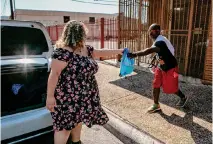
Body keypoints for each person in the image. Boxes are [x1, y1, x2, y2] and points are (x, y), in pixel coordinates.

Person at [46, 20, 123, 144]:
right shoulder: (63, 53)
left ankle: (76, 142)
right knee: (64, 128)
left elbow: (100, 52)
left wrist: (120, 51)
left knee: (78, 121)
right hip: (68, 98)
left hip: (85, 96)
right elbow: (54, 74)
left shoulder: (86, 49)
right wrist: (50, 97)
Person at [127, 23, 188, 113]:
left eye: (151, 32)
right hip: (161, 67)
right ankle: (156, 105)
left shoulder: (160, 41)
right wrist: (155, 60)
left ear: (157, 31)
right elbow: (159, 52)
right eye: (149, 32)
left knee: (171, 88)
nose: (149, 34)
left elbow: (149, 50)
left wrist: (134, 54)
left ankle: (183, 97)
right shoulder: (159, 40)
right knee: (156, 84)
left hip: (170, 67)